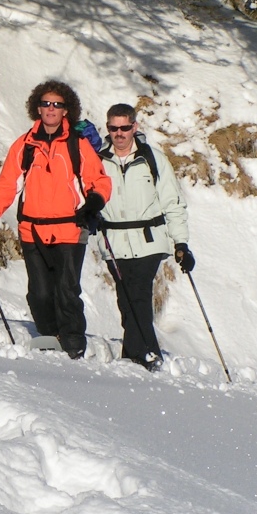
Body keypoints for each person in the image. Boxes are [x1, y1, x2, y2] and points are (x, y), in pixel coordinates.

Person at [0, 81, 112, 359]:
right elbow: (8, 183)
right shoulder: (25, 145)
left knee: (66, 291)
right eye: (46, 103)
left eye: (57, 105)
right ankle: (50, 338)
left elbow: (98, 180)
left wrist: (94, 203)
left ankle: (73, 344)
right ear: (37, 108)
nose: (51, 109)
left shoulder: (78, 145)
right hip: (32, 230)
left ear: (66, 110)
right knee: (39, 294)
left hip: (70, 228)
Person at [97, 103, 193, 371]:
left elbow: (173, 202)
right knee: (125, 301)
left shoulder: (153, 158)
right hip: (114, 242)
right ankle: (147, 352)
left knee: (138, 295)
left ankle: (138, 358)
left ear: (134, 127)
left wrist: (181, 243)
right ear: (108, 128)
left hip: (148, 240)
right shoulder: (99, 160)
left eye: (124, 127)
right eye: (114, 128)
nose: (119, 133)